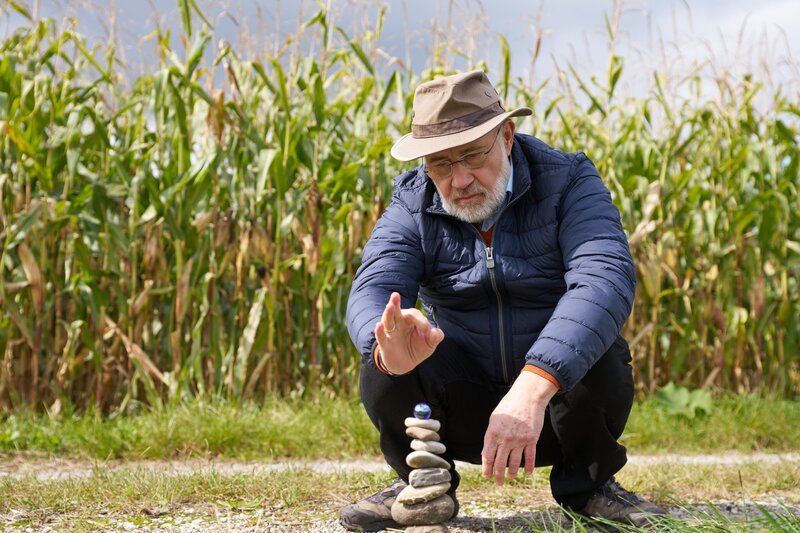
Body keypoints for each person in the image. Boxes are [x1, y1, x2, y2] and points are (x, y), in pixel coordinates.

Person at [340, 70, 667, 531]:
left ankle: (590, 487)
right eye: (440, 164)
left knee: (599, 346)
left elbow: (603, 279)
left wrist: (535, 384)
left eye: (473, 154)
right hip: (458, 409)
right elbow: (373, 286)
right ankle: (422, 481)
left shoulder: (569, 180)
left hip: (552, 409)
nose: (460, 179)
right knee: (385, 348)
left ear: (507, 136)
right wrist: (388, 345)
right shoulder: (412, 201)